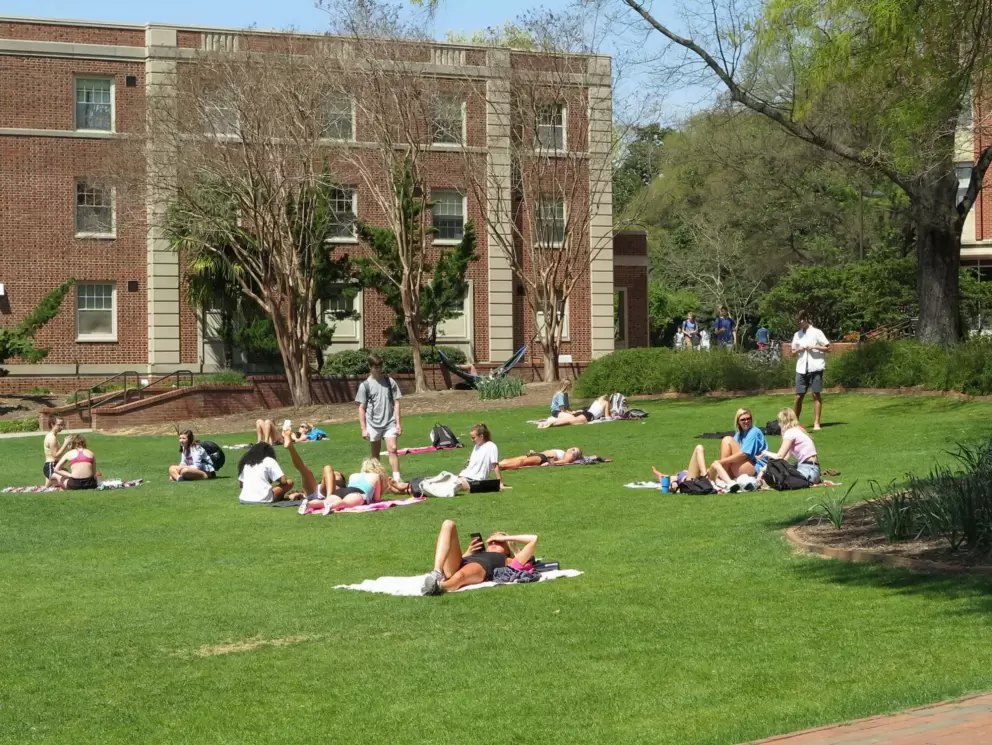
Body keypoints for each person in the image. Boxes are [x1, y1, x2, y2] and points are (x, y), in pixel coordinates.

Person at [421, 520, 539, 595]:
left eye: (498, 542)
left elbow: (533, 539)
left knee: (460, 576)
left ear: (508, 549)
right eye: (491, 542)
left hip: (482, 567)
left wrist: (504, 538)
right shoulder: (476, 553)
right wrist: (468, 552)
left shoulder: (510, 560)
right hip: (462, 563)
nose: (493, 543)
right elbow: (455, 564)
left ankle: (440, 587)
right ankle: (436, 572)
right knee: (448, 524)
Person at [296, 451, 409, 514]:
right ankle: (331, 506)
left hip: (342, 491)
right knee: (344, 503)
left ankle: (309, 504)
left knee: (326, 500)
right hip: (357, 493)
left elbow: (349, 487)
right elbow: (377, 499)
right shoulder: (376, 476)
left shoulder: (354, 475)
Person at [356, 353, 403, 483]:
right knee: (375, 454)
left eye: (379, 366)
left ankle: (397, 478)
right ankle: (379, 480)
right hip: (373, 423)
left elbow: (397, 403)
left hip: (389, 422)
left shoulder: (389, 382)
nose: (377, 369)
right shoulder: (365, 386)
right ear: (370, 367)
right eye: (375, 367)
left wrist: (398, 423)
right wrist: (363, 428)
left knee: (392, 449)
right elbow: (361, 408)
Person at [792, 312, 831, 431]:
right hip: (801, 368)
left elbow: (828, 348)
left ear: (806, 319)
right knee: (799, 396)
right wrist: (799, 349)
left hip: (816, 367)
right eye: (797, 321)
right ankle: (795, 424)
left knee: (816, 394)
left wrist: (814, 347)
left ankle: (816, 422)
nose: (799, 323)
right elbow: (793, 353)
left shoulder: (817, 332)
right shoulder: (797, 335)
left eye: (800, 320)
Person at [761, 408, 821, 484]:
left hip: (808, 472)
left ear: (783, 421)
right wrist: (767, 467)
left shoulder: (790, 433)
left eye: (779, 421)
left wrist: (764, 452)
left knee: (779, 479)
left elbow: (779, 456)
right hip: (815, 471)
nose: (779, 424)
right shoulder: (799, 430)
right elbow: (784, 459)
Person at [706, 408, 768, 482]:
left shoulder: (754, 431)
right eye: (743, 420)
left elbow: (743, 454)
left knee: (727, 439)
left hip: (755, 469)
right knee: (708, 471)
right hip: (742, 467)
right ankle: (719, 475)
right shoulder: (738, 435)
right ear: (738, 422)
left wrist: (720, 462)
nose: (746, 421)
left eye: (748, 418)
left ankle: (720, 475)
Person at [457, 423, 505, 492]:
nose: (472, 440)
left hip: (474, 480)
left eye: (473, 438)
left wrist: (500, 483)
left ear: (481, 436)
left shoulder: (491, 446)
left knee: (450, 484)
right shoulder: (476, 446)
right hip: (464, 476)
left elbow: (495, 465)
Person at [537, 395, 611, 428]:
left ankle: (546, 423)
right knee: (569, 421)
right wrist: (612, 415)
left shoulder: (597, 401)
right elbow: (607, 417)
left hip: (584, 413)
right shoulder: (606, 403)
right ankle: (549, 424)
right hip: (589, 415)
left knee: (568, 420)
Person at [499, 447, 583, 470]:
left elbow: (565, 461)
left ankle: (501, 467)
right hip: (539, 454)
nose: (573, 450)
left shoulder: (570, 455)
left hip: (543, 458)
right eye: (573, 448)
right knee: (508, 460)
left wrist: (550, 463)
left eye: (575, 451)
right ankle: (498, 465)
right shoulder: (564, 452)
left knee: (522, 461)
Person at [43, 416, 70, 486]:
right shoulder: (52, 438)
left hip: (53, 466)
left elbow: (58, 453)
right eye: (59, 425)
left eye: (63, 425)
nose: (62, 427)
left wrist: (67, 447)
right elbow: (55, 455)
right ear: (52, 424)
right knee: (70, 481)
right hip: (51, 467)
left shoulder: (52, 436)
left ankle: (46, 488)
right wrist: (65, 443)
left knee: (46, 488)